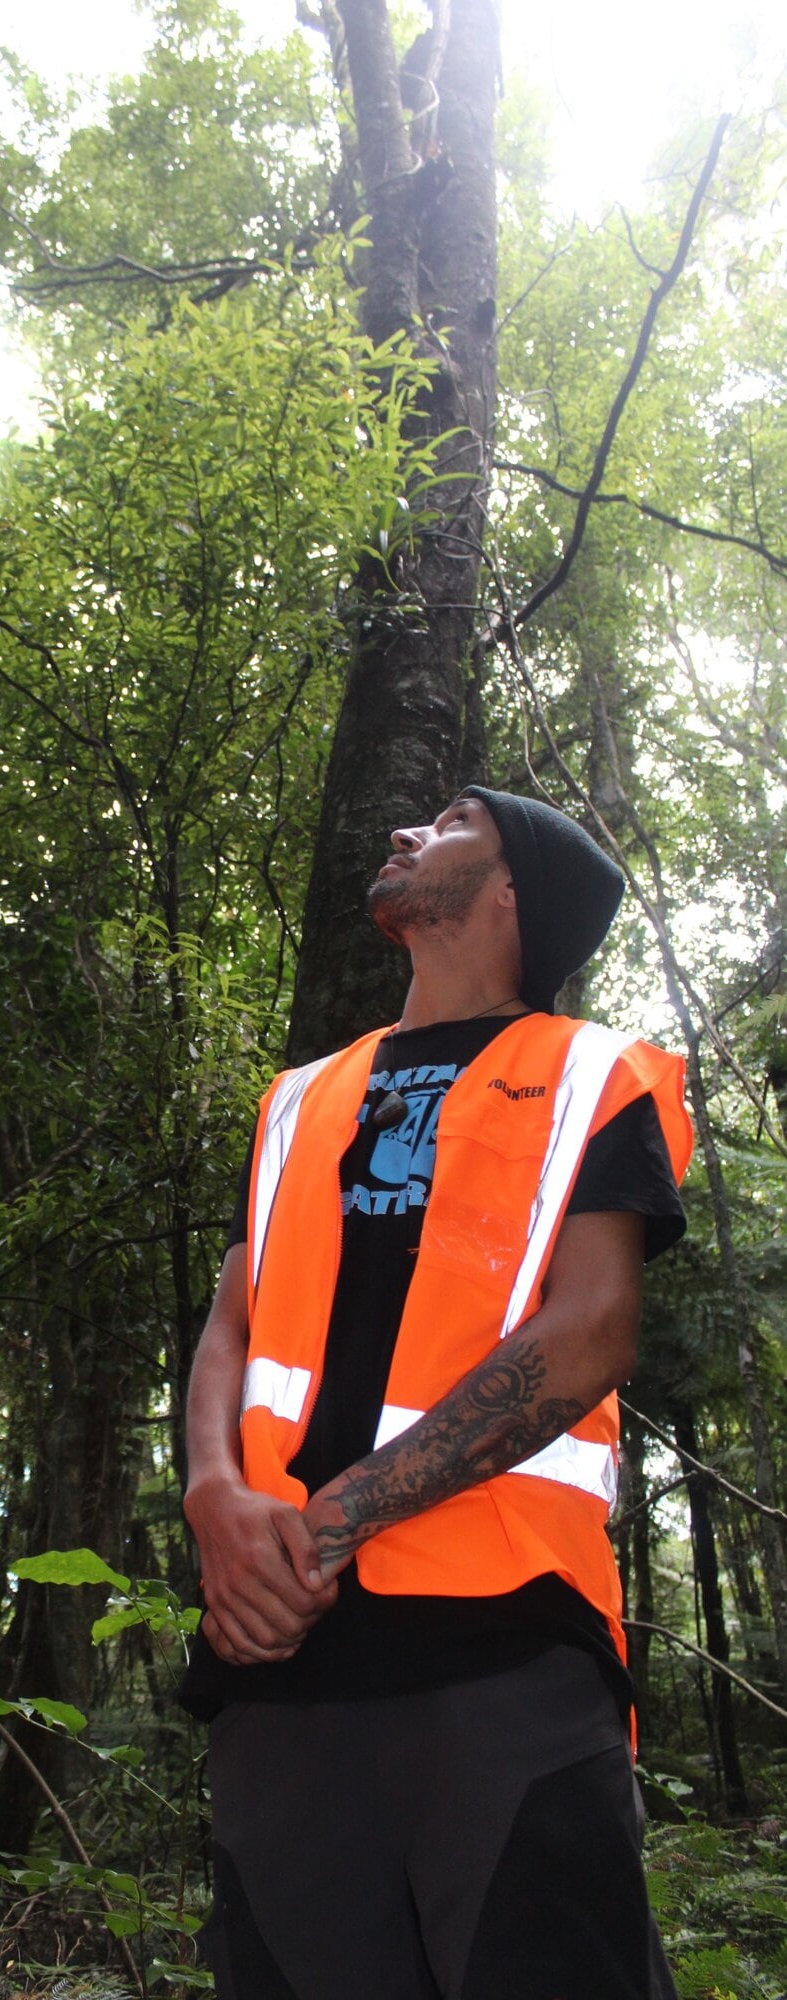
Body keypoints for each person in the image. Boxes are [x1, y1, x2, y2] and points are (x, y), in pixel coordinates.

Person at [181, 788, 693, 2000]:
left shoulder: (590, 1073)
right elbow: (229, 1321)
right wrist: (211, 1496)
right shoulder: (300, 1094)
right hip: (279, 1666)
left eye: (454, 819)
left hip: (502, 1649)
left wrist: (331, 1519)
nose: (406, 828)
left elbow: (591, 1332)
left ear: (513, 890)